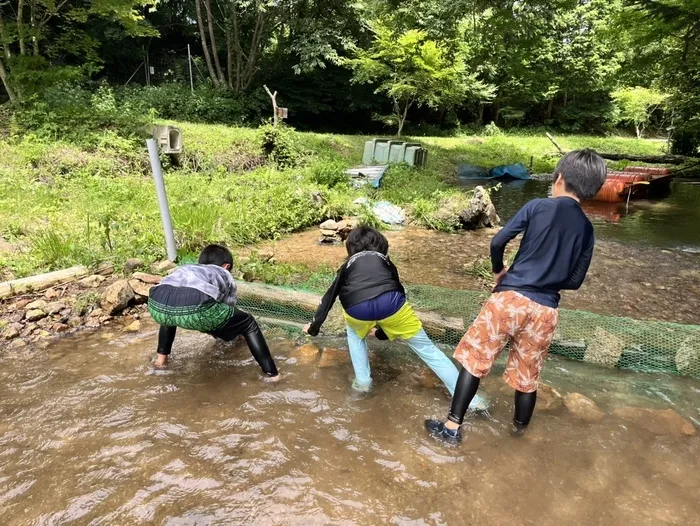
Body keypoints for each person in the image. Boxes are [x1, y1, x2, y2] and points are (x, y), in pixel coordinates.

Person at [425, 149, 607, 443]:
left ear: (558, 177)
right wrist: (549, 281)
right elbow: (575, 281)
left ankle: (452, 428)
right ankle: (518, 436)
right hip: (546, 309)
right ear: (592, 189)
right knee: (527, 376)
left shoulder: (537, 207)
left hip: (509, 299)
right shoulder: (587, 229)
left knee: (476, 360)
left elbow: (498, 241)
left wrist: (500, 271)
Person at [303, 226, 488, 410]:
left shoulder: (348, 265)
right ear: (382, 246)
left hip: (356, 309)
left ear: (351, 248)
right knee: (429, 351)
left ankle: (363, 383)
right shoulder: (386, 261)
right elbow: (397, 291)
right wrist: (383, 333)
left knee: (354, 334)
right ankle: (472, 402)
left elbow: (329, 298)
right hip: (392, 305)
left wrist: (313, 328)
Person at [147, 244, 280, 381]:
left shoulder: (187, 267)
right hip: (195, 303)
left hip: (157, 302)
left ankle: (161, 362)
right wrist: (236, 335)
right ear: (226, 266)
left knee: (170, 314)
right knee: (248, 322)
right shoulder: (224, 273)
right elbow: (225, 312)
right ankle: (272, 375)